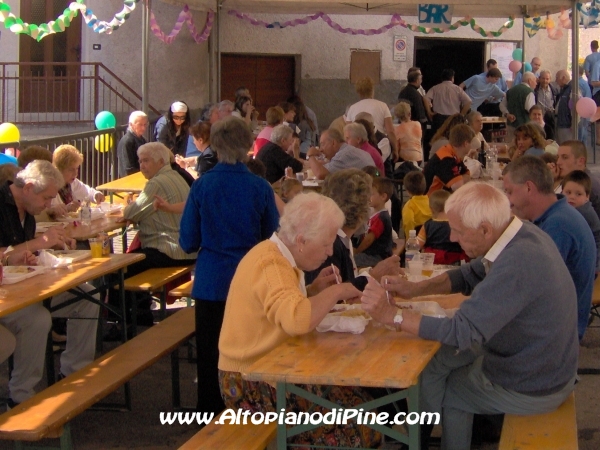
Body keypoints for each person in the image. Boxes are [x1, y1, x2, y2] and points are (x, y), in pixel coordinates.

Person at [361, 181, 578, 450]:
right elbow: (469, 274)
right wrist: (413, 290)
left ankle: (422, 436)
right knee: (435, 363)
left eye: (458, 232)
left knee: (452, 390)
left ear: (485, 229)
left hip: (536, 382)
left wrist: (392, 316)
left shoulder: (518, 262)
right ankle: (419, 436)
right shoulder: (519, 233)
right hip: (536, 358)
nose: (452, 238)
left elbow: (460, 332)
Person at [218, 192, 381, 448]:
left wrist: (314, 290)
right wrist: (337, 291)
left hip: (273, 370)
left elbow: (280, 308)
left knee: (365, 407)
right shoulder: (270, 264)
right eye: (326, 244)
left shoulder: (278, 258)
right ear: (302, 240)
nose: (329, 253)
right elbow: (296, 319)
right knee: (359, 430)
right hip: (252, 381)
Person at [179, 117, 280, 414]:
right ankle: (250, 408)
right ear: (248, 146)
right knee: (250, 349)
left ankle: (209, 411)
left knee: (210, 352)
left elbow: (187, 240)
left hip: (212, 279)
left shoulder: (202, 186)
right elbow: (271, 236)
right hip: (250, 278)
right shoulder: (259, 187)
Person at [0, 161, 100, 406]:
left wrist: (35, 253)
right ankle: (22, 395)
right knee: (37, 319)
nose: (48, 205)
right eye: (46, 199)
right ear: (28, 188)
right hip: (9, 296)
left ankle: (75, 373)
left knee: (88, 296)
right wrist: (37, 244)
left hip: (27, 286)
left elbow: (16, 254)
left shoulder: (28, 212)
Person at [503, 156, 596, 340]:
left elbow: (533, 286)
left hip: (557, 330)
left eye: (510, 192)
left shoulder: (558, 226)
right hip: (557, 318)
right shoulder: (557, 214)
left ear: (529, 188)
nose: (508, 201)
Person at [304, 169, 400, 290]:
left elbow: (346, 281)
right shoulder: (330, 244)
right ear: (361, 209)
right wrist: (372, 276)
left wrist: (372, 272)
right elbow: (336, 296)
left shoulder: (341, 237)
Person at [345, 76, 398, 156]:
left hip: (359, 146)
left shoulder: (352, 108)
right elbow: (390, 131)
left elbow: (348, 133)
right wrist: (395, 149)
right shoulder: (382, 106)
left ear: (358, 92)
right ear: (372, 90)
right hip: (380, 144)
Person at [48, 145, 105, 217]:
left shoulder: (72, 183)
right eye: (71, 170)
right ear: (59, 169)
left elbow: (88, 192)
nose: (76, 173)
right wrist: (66, 208)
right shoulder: (49, 186)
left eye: (77, 168)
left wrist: (96, 195)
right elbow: (47, 213)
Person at [562, 170, 600, 274]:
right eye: (568, 192)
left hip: (590, 258)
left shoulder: (585, 212)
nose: (572, 197)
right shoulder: (567, 209)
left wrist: (596, 265)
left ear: (587, 197)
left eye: (578, 194)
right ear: (561, 192)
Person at [417, 189, 468, 264]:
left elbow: (418, 245)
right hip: (454, 260)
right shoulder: (456, 223)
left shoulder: (427, 225)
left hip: (433, 259)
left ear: (431, 209)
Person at [354, 177, 395, 267]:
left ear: (383, 196)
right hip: (376, 254)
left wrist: (357, 252)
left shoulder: (380, 217)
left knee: (350, 261)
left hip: (377, 257)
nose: (368, 197)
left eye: (371, 194)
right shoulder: (378, 214)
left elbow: (368, 240)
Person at [305, 128, 375, 180]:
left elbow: (320, 174)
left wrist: (310, 155)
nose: (321, 149)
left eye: (323, 144)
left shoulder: (343, 155)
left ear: (333, 143)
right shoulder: (348, 150)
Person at [424, 124, 473, 194]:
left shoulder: (454, 154)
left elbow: (468, 176)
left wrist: (460, 179)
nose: (471, 146)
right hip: (430, 202)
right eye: (471, 143)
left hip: (440, 198)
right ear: (466, 143)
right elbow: (458, 187)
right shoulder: (445, 158)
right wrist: (461, 179)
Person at [556, 140, 600, 218]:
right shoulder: (570, 181)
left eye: (565, 157)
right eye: (558, 157)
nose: (558, 162)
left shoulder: (590, 185)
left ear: (580, 161)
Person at [425, 68, 472, 134]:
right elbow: (468, 101)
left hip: (439, 118)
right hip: (453, 119)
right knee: (453, 139)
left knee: (438, 139)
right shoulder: (457, 89)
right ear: (452, 78)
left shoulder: (435, 88)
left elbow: (426, 98)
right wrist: (461, 115)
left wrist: (429, 112)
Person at [501, 71, 537, 137]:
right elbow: (530, 109)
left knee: (511, 145)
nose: (536, 83)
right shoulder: (529, 92)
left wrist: (507, 114)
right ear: (530, 81)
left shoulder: (511, 90)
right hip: (525, 126)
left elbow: (502, 105)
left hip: (511, 125)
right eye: (535, 81)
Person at [401, 171, 432, 239]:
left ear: (407, 191)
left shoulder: (409, 206)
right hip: (432, 237)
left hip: (417, 238)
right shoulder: (431, 202)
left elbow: (408, 222)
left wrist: (409, 239)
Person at [117, 110, 148, 177]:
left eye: (145, 124)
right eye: (140, 125)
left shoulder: (142, 139)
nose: (143, 128)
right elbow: (128, 168)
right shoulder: (127, 141)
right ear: (131, 124)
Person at [534, 70, 558, 139]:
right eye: (543, 78)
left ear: (550, 79)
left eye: (547, 79)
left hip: (550, 116)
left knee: (550, 135)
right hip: (538, 116)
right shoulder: (535, 89)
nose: (545, 81)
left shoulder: (554, 90)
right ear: (539, 78)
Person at [555, 70, 574, 144]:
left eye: (557, 78)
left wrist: (573, 123)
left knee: (565, 144)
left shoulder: (572, 89)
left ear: (563, 78)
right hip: (560, 122)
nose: (556, 80)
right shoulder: (564, 89)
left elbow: (574, 107)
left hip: (566, 124)